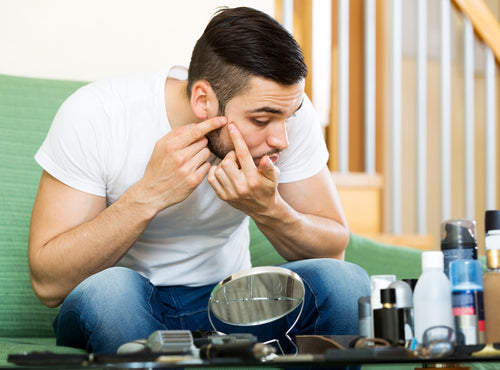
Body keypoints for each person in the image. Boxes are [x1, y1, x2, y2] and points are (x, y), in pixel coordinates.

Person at [28, 6, 370, 354]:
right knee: (110, 292)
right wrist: (149, 195)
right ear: (203, 100)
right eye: (262, 120)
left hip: (233, 302)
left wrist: (269, 209)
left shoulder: (283, 110)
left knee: (346, 283)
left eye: (288, 117)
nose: (281, 138)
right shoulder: (97, 114)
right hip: (127, 304)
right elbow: (48, 283)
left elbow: (333, 252)